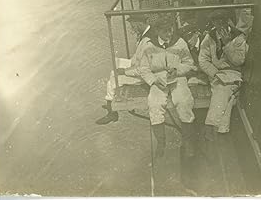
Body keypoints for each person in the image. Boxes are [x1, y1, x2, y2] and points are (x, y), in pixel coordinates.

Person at [139, 14, 197, 158]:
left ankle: (188, 142)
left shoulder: (180, 43)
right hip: (158, 79)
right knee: (154, 104)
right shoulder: (149, 46)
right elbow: (144, 68)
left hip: (178, 77)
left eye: (171, 29)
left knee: (184, 102)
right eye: (165, 31)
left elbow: (189, 63)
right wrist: (153, 80)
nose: (170, 33)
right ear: (157, 31)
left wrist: (178, 70)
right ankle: (161, 142)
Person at [96, 14, 154, 125]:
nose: (133, 29)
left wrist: (125, 71)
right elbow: (139, 56)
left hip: (143, 75)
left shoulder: (147, 40)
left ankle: (111, 112)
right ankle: (110, 99)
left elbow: (143, 68)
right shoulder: (146, 34)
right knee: (116, 63)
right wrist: (128, 64)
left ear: (140, 24)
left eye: (134, 26)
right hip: (139, 65)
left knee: (112, 79)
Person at [198, 10, 248, 135]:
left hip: (233, 73)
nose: (220, 24)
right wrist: (214, 73)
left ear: (228, 21)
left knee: (222, 89)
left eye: (222, 20)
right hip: (216, 74)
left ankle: (211, 126)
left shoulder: (238, 37)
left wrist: (227, 44)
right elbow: (203, 60)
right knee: (227, 95)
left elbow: (238, 61)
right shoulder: (210, 37)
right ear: (213, 22)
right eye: (216, 21)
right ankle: (220, 132)